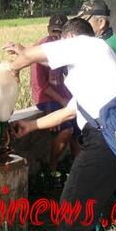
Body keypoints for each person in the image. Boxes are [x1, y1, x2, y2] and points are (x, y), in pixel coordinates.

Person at [8, 18, 116, 231]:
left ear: (69, 38)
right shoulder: (100, 72)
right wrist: (30, 126)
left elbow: (31, 56)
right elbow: (68, 111)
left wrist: (12, 69)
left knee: (72, 215)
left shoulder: (85, 44)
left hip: (108, 139)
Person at [30, 13, 79, 171]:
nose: (57, 36)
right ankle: (52, 169)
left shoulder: (66, 47)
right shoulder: (41, 50)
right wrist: (62, 102)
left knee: (79, 131)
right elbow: (43, 86)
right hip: (47, 98)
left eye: (60, 32)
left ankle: (78, 169)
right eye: (54, 32)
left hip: (62, 96)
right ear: (48, 30)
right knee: (66, 130)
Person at [76, 0, 116, 70]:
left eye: (85, 21)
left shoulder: (105, 44)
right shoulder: (109, 39)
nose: (80, 25)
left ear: (101, 22)